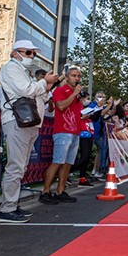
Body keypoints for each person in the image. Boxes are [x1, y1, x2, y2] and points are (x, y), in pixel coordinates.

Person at [0, 40, 59, 222]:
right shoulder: (11, 69)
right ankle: (7, 209)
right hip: (17, 121)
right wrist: (43, 82)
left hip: (29, 122)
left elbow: (38, 94)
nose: (32, 57)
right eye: (28, 53)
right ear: (16, 53)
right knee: (15, 166)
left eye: (33, 53)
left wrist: (47, 86)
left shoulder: (24, 71)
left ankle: (12, 205)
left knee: (21, 166)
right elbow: (26, 90)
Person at [39, 67, 84, 205]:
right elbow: (61, 106)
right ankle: (45, 191)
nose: (77, 78)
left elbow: (77, 111)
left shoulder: (76, 94)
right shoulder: (60, 90)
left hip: (75, 131)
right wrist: (74, 94)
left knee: (67, 164)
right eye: (74, 76)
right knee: (57, 161)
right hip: (62, 131)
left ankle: (60, 191)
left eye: (79, 76)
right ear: (67, 77)